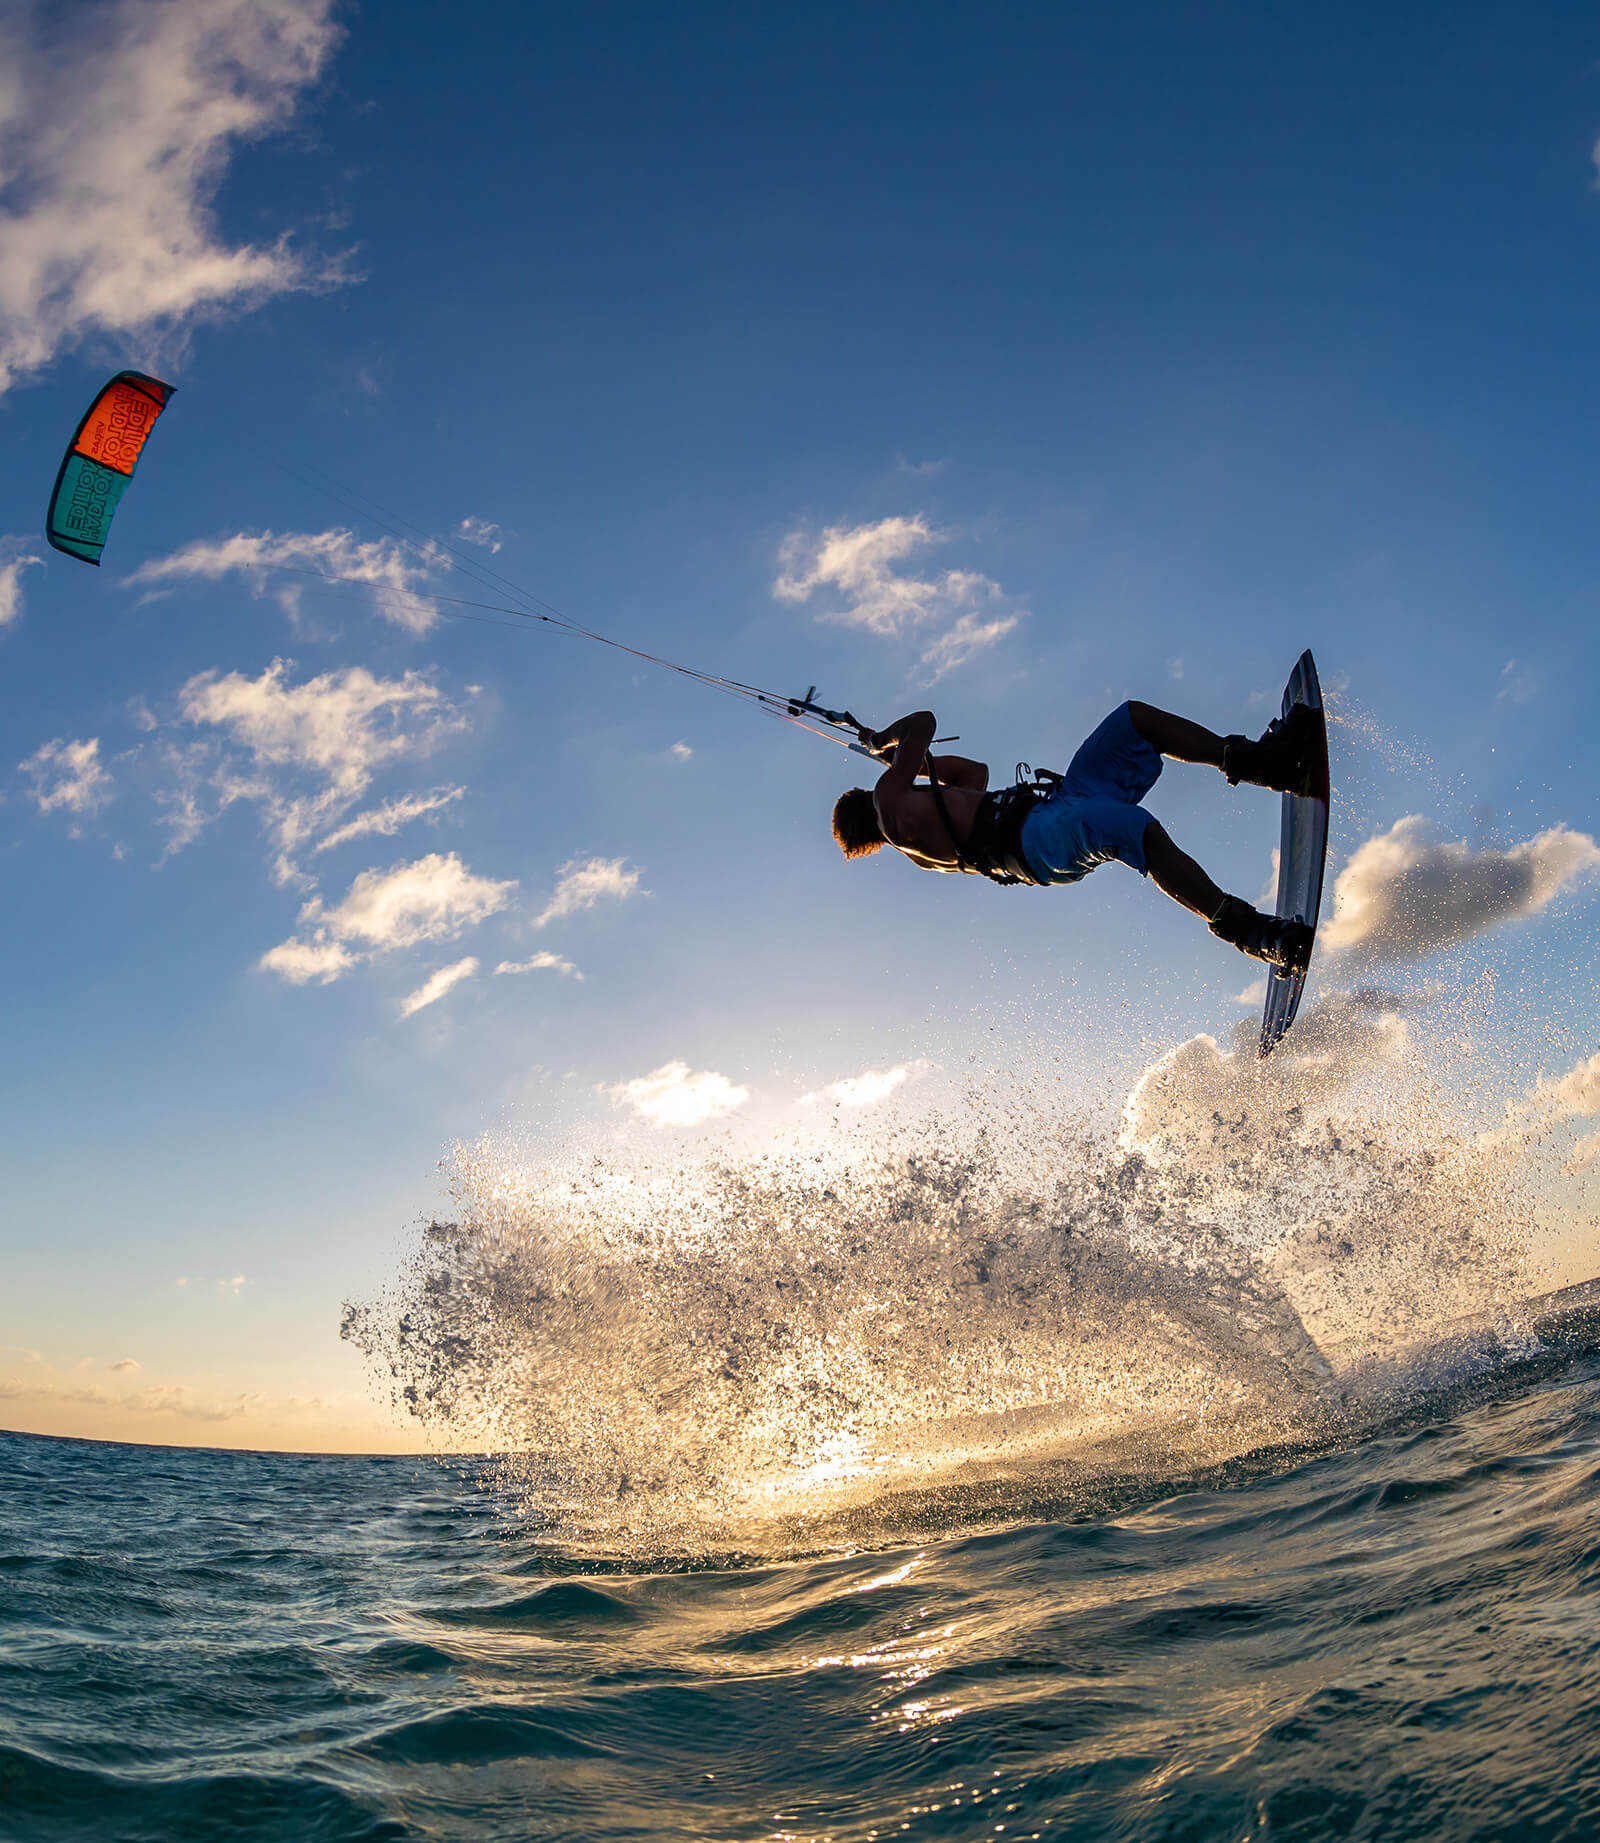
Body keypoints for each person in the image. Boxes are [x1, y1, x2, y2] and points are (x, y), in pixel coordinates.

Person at [831, 699, 1317, 968]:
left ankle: (1265, 764)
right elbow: (924, 721)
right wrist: (882, 744)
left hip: (1054, 808)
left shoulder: (912, 821)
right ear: (865, 802)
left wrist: (912, 763)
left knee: (1134, 721)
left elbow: (974, 774)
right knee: (1137, 830)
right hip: (1039, 840)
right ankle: (1252, 932)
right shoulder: (888, 804)